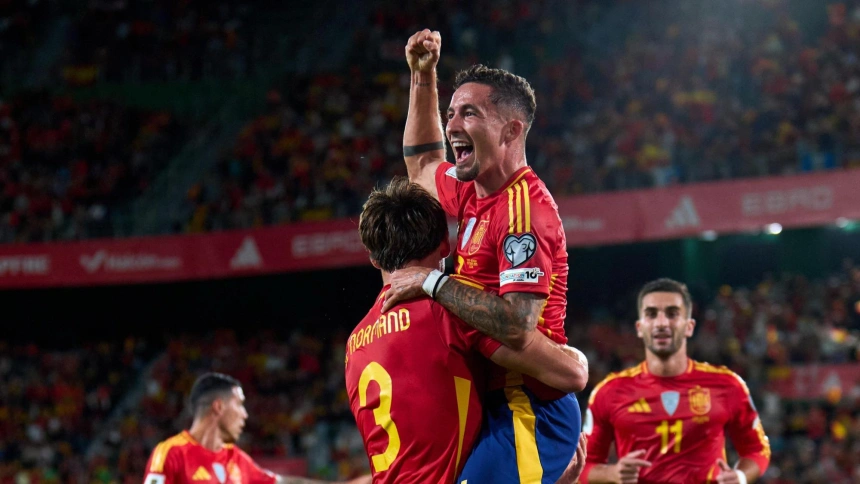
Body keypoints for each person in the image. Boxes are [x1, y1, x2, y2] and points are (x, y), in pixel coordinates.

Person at [382, 29, 580, 483]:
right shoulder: (474, 190)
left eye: (469, 113)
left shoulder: (524, 211)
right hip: (490, 399)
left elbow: (517, 326)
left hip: (527, 405)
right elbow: (422, 165)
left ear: (511, 130)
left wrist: (432, 282)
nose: (452, 125)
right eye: (451, 113)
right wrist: (423, 77)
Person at [346, 178, 588, 483]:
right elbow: (569, 375)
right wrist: (578, 359)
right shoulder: (449, 307)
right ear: (445, 245)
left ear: (373, 258)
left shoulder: (354, 345)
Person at [581, 278, 771, 484]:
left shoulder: (728, 385)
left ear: (689, 326)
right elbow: (583, 464)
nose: (661, 323)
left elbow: (756, 450)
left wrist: (740, 477)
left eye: (672, 314)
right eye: (651, 314)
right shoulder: (609, 392)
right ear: (639, 327)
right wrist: (612, 473)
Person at [143, 372, 370, 484]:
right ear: (218, 406)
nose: (245, 414)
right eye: (239, 404)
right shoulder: (171, 454)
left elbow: (287, 482)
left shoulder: (237, 460)